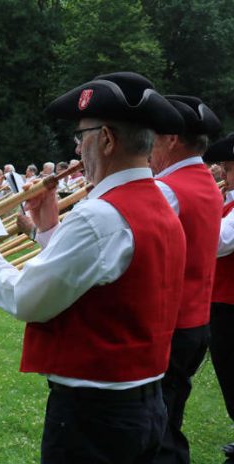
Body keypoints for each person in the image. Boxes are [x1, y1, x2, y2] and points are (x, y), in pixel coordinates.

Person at [0, 72, 187, 462]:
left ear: (107, 139)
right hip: (144, 401)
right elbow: (101, 273)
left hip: (95, 411)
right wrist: (48, 229)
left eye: (82, 137)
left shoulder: (100, 214)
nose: (78, 151)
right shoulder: (158, 203)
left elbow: (28, 299)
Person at [149, 94, 223, 464]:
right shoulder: (205, 181)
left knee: (157, 425)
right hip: (195, 320)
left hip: (171, 323)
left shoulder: (168, 188)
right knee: (170, 412)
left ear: (171, 140)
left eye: (153, 136)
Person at [202, 134, 234, 460]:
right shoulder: (229, 199)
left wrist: (206, 203)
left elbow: (220, 242)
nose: (223, 173)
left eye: (228, 167)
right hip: (222, 299)